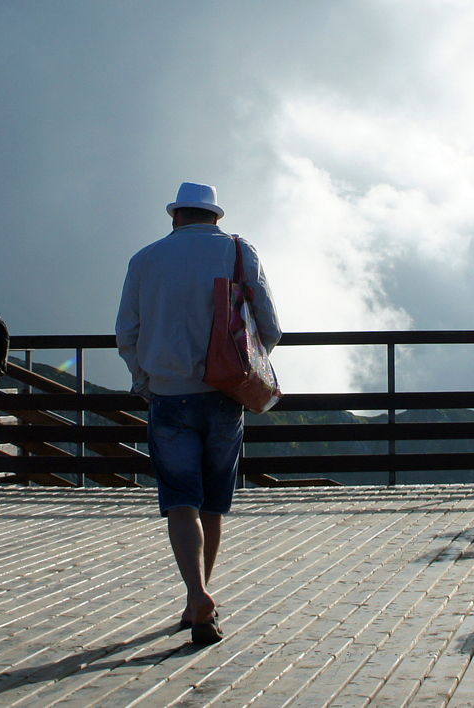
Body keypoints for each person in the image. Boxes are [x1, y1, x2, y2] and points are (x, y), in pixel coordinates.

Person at [115, 183, 281, 644]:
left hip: (169, 397)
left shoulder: (144, 259)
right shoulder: (238, 251)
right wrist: (242, 370)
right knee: (212, 502)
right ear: (214, 216)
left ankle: (197, 594)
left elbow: (126, 333)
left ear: (175, 217)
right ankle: (199, 603)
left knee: (180, 502)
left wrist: (144, 380)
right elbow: (271, 328)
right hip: (224, 396)